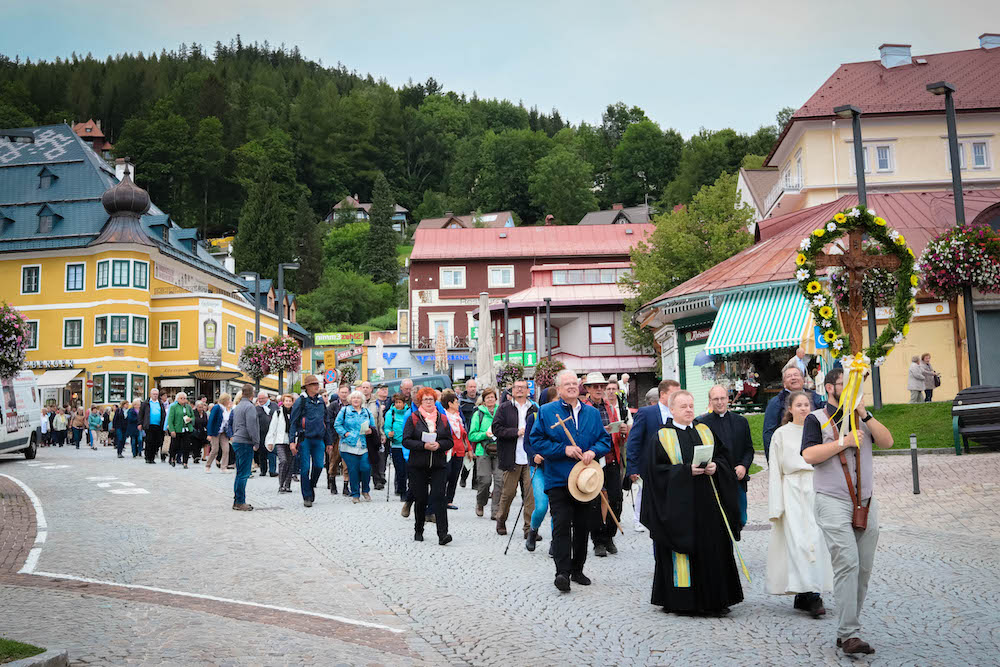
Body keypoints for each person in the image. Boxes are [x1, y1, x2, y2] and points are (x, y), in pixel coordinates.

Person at [802, 367, 894, 655]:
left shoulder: (861, 417)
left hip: (866, 502)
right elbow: (808, 455)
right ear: (830, 388)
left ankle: (847, 629)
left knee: (863, 568)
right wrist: (843, 441)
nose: (852, 389)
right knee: (847, 563)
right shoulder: (815, 418)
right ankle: (850, 633)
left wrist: (865, 414)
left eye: (856, 385)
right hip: (832, 500)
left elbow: (888, 441)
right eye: (845, 384)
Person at [641, 390, 744, 615]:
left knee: (713, 549)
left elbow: (724, 458)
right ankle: (682, 602)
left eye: (691, 405)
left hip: (709, 505)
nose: (688, 410)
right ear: (672, 410)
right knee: (682, 554)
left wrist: (717, 467)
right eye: (683, 406)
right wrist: (686, 471)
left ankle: (716, 600)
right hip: (679, 511)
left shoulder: (705, 431)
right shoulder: (661, 437)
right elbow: (655, 475)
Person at [529, 369, 611, 592]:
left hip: (585, 481)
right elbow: (536, 440)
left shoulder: (591, 414)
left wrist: (593, 452)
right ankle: (562, 572)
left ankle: (577, 569)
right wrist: (562, 449)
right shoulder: (546, 411)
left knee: (583, 526)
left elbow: (605, 441)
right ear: (559, 388)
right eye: (567, 384)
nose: (572, 387)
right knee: (562, 525)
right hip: (559, 479)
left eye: (574, 383)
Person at [767, 391, 832, 618]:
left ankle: (809, 591)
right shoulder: (781, 434)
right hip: (792, 489)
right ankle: (810, 594)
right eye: (799, 405)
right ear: (790, 409)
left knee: (816, 539)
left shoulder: (819, 431)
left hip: (815, 486)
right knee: (798, 542)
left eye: (807, 404)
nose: (804, 408)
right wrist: (777, 505)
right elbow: (775, 469)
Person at [697, 386, 755, 529]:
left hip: (737, 479)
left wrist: (744, 465)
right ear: (710, 401)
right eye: (715, 399)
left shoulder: (741, 422)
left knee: (740, 518)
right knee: (718, 522)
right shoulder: (702, 424)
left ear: (728, 399)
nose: (720, 402)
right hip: (715, 480)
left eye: (722, 398)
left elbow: (749, 449)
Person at [402, 386, 454, 545]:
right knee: (421, 498)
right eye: (425, 399)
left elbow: (449, 441)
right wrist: (423, 446)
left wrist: (439, 445)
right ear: (420, 402)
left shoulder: (443, 419)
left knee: (439, 497)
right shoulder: (413, 418)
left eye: (431, 399)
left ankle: (443, 534)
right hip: (418, 464)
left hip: (438, 464)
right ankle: (419, 529)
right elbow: (406, 440)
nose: (429, 402)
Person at [492, 379, 538, 538]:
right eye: (516, 388)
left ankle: (529, 529)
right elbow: (496, 429)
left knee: (530, 495)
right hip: (511, 457)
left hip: (530, 457)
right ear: (511, 391)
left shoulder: (534, 408)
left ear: (527, 391)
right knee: (508, 493)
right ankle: (501, 519)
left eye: (522, 388)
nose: (519, 390)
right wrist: (516, 432)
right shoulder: (504, 408)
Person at [593, 378, 631, 556]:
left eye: (602, 386)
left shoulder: (610, 407)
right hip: (592, 461)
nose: (599, 389)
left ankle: (609, 535)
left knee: (616, 499)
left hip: (612, 458)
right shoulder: (584, 407)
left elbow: (621, 437)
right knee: (594, 502)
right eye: (596, 386)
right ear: (588, 389)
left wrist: (623, 432)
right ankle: (598, 541)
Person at [763, 367, 824, 461]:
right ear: (784, 383)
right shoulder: (776, 402)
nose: (793, 378)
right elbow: (769, 432)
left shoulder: (816, 397)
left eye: (796, 375)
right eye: (789, 376)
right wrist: (772, 460)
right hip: (789, 453)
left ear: (803, 379)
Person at [523, 386, 557, 552]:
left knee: (557, 507)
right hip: (539, 468)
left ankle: (555, 542)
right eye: (555, 400)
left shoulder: (563, 417)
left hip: (557, 467)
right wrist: (534, 455)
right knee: (542, 505)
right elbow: (527, 444)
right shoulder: (533, 417)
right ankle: (533, 530)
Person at [291, 375, 333, 508]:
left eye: (317, 384)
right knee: (304, 469)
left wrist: (329, 442)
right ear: (308, 387)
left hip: (319, 439)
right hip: (305, 439)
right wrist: (292, 441)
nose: (317, 386)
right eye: (314, 384)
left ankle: (311, 485)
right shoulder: (301, 401)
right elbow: (293, 422)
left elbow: (326, 421)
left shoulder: (321, 402)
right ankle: (307, 496)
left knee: (319, 466)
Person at [334, 390, 375, 504]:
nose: (356, 400)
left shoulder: (366, 412)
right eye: (354, 398)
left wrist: (370, 430)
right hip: (348, 445)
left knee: (366, 468)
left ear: (361, 400)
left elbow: (373, 426)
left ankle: (365, 490)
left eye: (358, 398)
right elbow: (337, 424)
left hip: (363, 444)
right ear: (350, 400)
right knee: (353, 470)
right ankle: (355, 494)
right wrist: (345, 433)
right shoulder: (345, 410)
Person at [469, 388, 502, 520]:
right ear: (484, 400)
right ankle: (481, 503)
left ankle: (496, 510)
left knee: (500, 481)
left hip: (500, 450)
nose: (490, 400)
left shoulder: (501, 412)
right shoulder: (478, 414)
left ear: (495, 399)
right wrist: (484, 434)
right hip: (483, 451)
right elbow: (472, 435)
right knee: (485, 480)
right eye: (487, 398)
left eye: (492, 397)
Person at [230, 384, 260, 511]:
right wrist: (256, 442)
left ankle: (237, 500)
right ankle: (240, 502)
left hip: (237, 440)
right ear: (252, 394)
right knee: (244, 473)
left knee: (239, 473)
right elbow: (252, 426)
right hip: (245, 442)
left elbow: (233, 424)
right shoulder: (250, 407)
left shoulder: (238, 407)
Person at [441, 390, 471, 509]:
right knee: (445, 475)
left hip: (459, 450)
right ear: (450, 404)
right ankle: (440, 498)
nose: (458, 404)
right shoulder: (443, 416)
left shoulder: (458, 417)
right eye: (456, 402)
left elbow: (464, 435)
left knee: (454, 476)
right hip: (447, 450)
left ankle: (449, 500)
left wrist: (468, 449)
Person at [359, 381, 387, 490]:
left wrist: (382, 434)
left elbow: (380, 419)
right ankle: (362, 481)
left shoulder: (376, 402)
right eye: (363, 387)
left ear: (371, 389)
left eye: (367, 387)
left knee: (375, 457)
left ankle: (377, 480)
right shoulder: (358, 400)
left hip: (373, 433)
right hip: (361, 433)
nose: (365, 389)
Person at [385, 393, 411, 500]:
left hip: (408, 445)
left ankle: (410, 490)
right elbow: (387, 427)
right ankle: (402, 492)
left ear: (404, 403)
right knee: (400, 470)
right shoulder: (390, 413)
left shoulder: (409, 413)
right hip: (396, 445)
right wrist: (388, 433)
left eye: (400, 402)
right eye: (396, 402)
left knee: (408, 469)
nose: (398, 405)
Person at [266, 394, 295, 493]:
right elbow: (273, 427)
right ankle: (281, 484)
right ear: (283, 402)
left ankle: (287, 485)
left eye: (290, 401)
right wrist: (270, 441)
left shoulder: (295, 413)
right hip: (280, 440)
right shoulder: (278, 412)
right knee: (283, 461)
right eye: (286, 401)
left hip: (291, 441)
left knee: (290, 463)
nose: (288, 403)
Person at [326, 383, 349, 495]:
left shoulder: (351, 405)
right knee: (334, 461)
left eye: (346, 392)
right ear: (338, 393)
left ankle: (346, 486)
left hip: (348, 438)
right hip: (335, 438)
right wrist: (329, 440)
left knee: (347, 463)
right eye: (342, 392)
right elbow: (329, 423)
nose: (344, 395)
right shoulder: (333, 406)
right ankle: (332, 483)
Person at [458, 379, 479, 488]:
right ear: (466, 388)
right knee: (468, 456)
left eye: (474, 387)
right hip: (466, 432)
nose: (473, 389)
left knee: (477, 456)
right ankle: (463, 477)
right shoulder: (462, 401)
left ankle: (475, 482)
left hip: (477, 432)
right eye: (470, 387)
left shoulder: (480, 399)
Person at [167, 392, 195, 469]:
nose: (183, 400)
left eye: (184, 398)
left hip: (186, 429)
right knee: (175, 445)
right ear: (177, 399)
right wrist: (172, 430)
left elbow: (193, 417)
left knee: (186, 446)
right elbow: (170, 419)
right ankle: (172, 458)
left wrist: (190, 419)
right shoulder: (174, 407)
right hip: (177, 429)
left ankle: (185, 462)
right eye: (181, 398)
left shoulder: (188, 407)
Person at [139, 388, 167, 464]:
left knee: (157, 442)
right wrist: (140, 423)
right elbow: (141, 414)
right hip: (149, 425)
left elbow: (163, 414)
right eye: (154, 394)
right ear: (151, 394)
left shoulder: (160, 403)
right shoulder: (146, 403)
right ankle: (148, 457)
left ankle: (152, 456)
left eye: (156, 394)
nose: (155, 396)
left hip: (158, 425)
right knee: (149, 441)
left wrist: (165, 424)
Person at [206, 393, 232, 473]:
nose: (230, 401)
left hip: (223, 432)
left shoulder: (226, 409)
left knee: (226, 449)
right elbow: (211, 420)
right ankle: (208, 465)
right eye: (229, 400)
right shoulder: (217, 407)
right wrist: (209, 434)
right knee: (215, 449)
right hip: (215, 431)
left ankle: (224, 467)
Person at [255, 391, 278, 477]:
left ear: (267, 398)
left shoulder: (274, 406)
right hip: (261, 433)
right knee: (262, 453)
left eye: (262, 399)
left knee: (272, 451)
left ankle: (272, 470)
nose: (261, 400)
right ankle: (263, 470)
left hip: (272, 433)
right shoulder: (256, 408)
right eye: (259, 399)